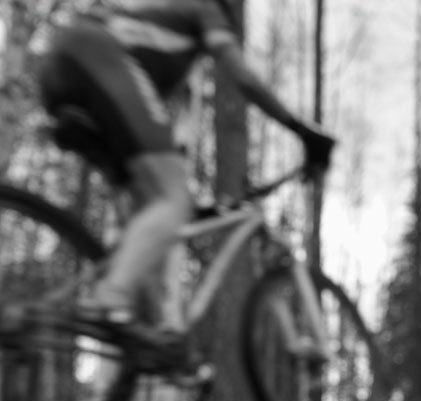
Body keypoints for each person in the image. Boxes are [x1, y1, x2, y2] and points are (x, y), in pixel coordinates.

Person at [38, 0, 335, 326]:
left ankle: (142, 337)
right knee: (170, 202)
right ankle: (109, 301)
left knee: (154, 217)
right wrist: (303, 131)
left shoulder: (163, 48)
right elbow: (244, 78)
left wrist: (182, 202)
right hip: (97, 54)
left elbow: (150, 136)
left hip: (61, 66)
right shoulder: (207, 8)